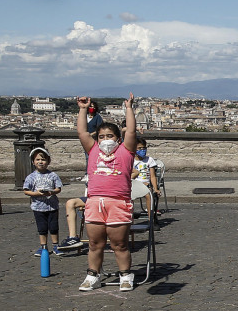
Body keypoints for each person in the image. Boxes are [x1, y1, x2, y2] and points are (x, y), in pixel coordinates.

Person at [76, 94, 137, 292]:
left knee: (119, 244)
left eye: (109, 136)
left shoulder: (125, 151)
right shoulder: (93, 151)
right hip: (95, 202)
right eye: (101, 136)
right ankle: (93, 274)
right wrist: (83, 109)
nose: (105, 140)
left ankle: (126, 275)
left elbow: (132, 132)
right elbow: (82, 132)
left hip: (118, 202)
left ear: (117, 139)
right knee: (95, 243)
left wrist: (128, 108)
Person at [21, 147, 63, 256]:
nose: (40, 162)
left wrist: (51, 192)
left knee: (53, 227)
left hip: (52, 206)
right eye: (38, 160)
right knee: (42, 227)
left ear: (48, 161)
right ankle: (43, 246)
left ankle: (56, 245)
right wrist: (37, 193)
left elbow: (58, 188)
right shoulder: (31, 177)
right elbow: (26, 191)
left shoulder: (53, 175)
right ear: (33, 162)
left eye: (43, 160)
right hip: (38, 207)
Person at [132, 139, 161, 217]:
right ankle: (130, 219)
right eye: (140, 148)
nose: (142, 150)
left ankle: (150, 218)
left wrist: (156, 188)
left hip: (147, 185)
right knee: (129, 197)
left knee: (149, 195)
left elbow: (153, 176)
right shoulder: (131, 160)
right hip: (134, 184)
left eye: (144, 148)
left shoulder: (149, 160)